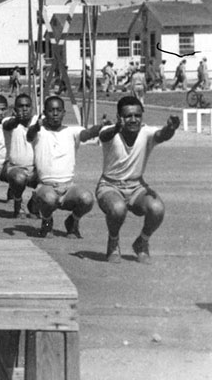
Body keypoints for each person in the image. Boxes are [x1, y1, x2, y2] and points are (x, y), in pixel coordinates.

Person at [96, 97, 179, 263]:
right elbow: (104, 136)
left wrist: (170, 128)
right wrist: (116, 127)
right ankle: (113, 241)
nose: (133, 119)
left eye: (137, 115)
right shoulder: (111, 131)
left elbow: (161, 135)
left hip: (136, 186)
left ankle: (142, 242)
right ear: (119, 116)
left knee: (157, 209)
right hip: (110, 186)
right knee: (118, 209)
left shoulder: (146, 132)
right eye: (128, 116)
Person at [26, 96, 102, 238]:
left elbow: (87, 135)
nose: (55, 114)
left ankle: (73, 221)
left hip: (68, 187)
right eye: (51, 110)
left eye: (58, 110)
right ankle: (46, 222)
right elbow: (29, 136)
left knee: (87, 199)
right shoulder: (39, 132)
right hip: (46, 186)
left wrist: (98, 129)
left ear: (64, 113)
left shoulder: (72, 131)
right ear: (44, 112)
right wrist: (36, 126)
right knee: (49, 198)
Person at [1, 94, 40, 218]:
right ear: (14, 110)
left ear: (32, 108)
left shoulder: (38, 123)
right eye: (21, 106)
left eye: (27, 106)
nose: (24, 109)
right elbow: (8, 125)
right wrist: (17, 119)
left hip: (36, 169)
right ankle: (18, 202)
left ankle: (34, 203)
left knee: (52, 177)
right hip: (15, 168)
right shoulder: (8, 122)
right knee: (18, 178)